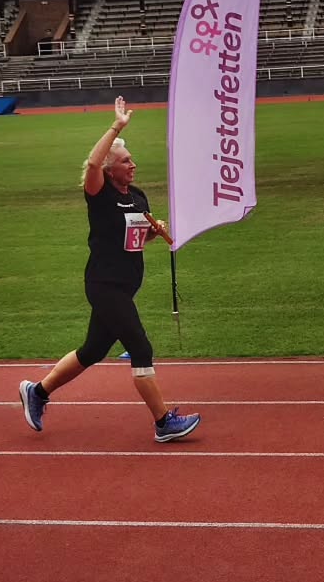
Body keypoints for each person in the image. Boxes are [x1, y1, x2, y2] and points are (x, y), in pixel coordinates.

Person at [21, 96, 200, 443]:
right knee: (140, 347)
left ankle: (37, 392)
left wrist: (151, 233)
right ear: (109, 168)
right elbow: (91, 163)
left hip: (125, 284)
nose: (133, 165)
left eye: (132, 159)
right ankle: (164, 422)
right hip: (105, 286)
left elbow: (131, 241)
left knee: (92, 351)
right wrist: (116, 126)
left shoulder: (138, 196)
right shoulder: (99, 192)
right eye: (125, 161)